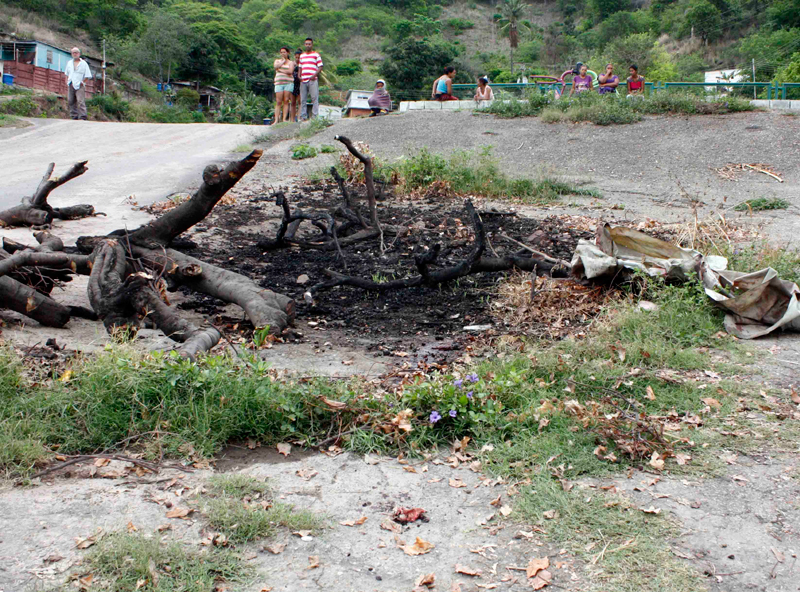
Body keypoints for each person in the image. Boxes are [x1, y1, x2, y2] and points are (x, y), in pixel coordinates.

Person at [298, 37, 323, 120]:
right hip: (303, 80)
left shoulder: (316, 55)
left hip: (312, 79)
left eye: (309, 44)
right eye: (306, 44)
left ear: (312, 45)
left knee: (314, 98)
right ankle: (303, 116)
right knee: (303, 99)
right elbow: (300, 67)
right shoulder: (302, 56)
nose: (308, 45)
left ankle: (315, 116)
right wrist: (299, 75)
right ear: (304, 45)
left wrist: (314, 75)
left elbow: (320, 66)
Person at [64, 47, 92, 120]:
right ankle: (74, 116)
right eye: (73, 53)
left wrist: (83, 82)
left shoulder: (84, 63)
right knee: (71, 100)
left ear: (79, 54)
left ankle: (83, 116)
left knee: (80, 100)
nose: (75, 54)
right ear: (71, 54)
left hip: (80, 84)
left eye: (76, 52)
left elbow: (88, 75)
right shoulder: (69, 63)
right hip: (71, 83)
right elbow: (66, 73)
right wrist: (66, 81)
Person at [273, 47, 295, 124]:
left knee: (286, 100)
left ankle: (284, 119)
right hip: (279, 83)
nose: (283, 53)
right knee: (278, 101)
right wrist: (282, 62)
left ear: (287, 53)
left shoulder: (291, 62)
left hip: (288, 83)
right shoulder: (277, 61)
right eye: (281, 52)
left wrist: (280, 70)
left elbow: (290, 71)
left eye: (284, 52)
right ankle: (276, 120)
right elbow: (275, 67)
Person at [291, 49, 302, 122]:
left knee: (300, 102)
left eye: (299, 58)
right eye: (296, 57)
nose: (297, 59)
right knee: (292, 102)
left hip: (300, 84)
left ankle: (299, 118)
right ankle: (292, 119)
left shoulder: (303, 65)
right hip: (292, 84)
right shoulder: (292, 63)